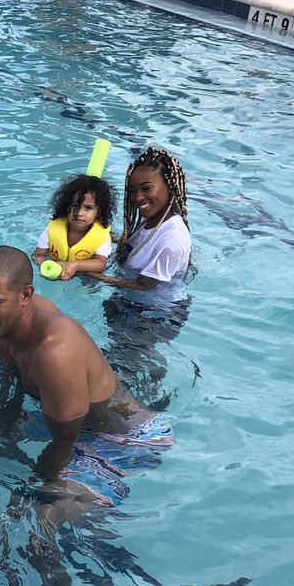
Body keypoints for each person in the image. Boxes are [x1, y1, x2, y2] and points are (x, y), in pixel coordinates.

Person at [0, 246, 176, 586]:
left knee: (39, 520)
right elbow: (13, 384)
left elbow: (64, 443)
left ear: (26, 296)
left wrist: (36, 491)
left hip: (124, 442)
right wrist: (2, 422)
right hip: (73, 421)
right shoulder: (4, 324)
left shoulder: (54, 350)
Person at [61, 148, 193, 408]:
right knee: (111, 360)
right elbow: (136, 246)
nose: (138, 198)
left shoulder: (173, 237)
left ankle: (139, 411)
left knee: (122, 367)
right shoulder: (153, 220)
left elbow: (145, 285)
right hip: (136, 306)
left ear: (170, 187)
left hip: (156, 314)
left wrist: (90, 273)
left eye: (146, 189)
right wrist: (102, 237)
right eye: (132, 191)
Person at [31, 173, 114, 280]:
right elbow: (37, 256)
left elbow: (100, 264)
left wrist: (75, 265)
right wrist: (47, 266)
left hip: (85, 274)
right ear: (66, 206)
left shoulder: (102, 236)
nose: (79, 213)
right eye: (75, 206)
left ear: (99, 212)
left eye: (88, 208)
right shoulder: (52, 229)